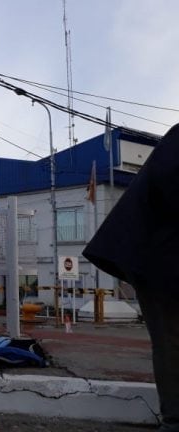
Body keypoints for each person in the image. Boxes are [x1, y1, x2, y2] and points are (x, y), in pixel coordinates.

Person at [83, 123, 179, 431]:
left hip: (159, 254)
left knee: (171, 341)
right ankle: (175, 419)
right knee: (171, 341)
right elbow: (169, 187)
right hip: (160, 258)